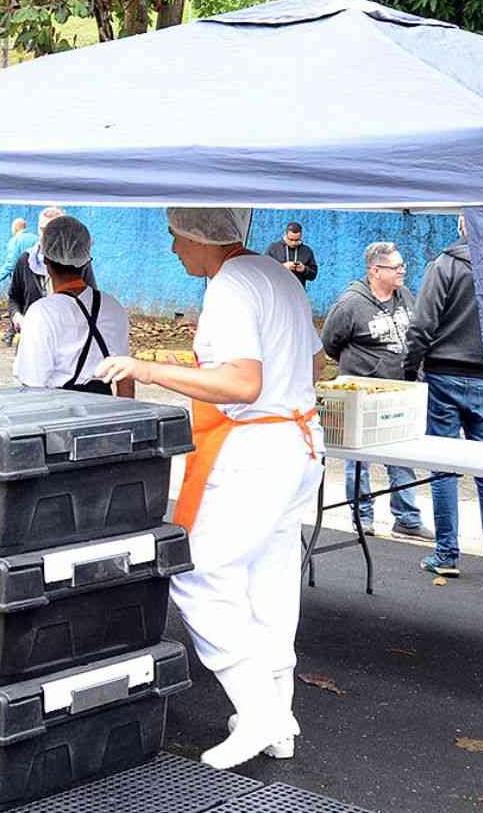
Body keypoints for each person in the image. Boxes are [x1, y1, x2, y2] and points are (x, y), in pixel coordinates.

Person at [96, 207, 323, 770]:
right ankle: (276, 719)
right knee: (270, 580)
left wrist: (146, 370)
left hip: (253, 451)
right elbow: (317, 363)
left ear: (201, 236)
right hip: (298, 443)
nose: (173, 249)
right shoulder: (278, 276)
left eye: (176, 237)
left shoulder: (230, 285)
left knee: (198, 574)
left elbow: (241, 384)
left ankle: (260, 710)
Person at [403, 215, 483, 580]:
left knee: (443, 468)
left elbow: (422, 324)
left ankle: (447, 554)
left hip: (443, 375)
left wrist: (410, 369)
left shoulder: (444, 265)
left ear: (461, 224)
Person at [321, 242, 432, 540]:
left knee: (401, 457)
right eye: (395, 267)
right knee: (357, 462)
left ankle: (407, 518)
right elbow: (330, 342)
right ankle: (362, 517)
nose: (402, 271)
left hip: (398, 391)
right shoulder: (350, 304)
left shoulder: (405, 296)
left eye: (402, 266)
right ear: (374, 271)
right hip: (359, 395)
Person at [13, 215, 133, 396]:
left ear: (46, 260)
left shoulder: (41, 312)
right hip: (105, 410)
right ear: (86, 260)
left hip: (58, 414)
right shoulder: (113, 307)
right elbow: (125, 379)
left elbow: (33, 384)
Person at [265, 222, 318, 287]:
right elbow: (265, 271)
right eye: (291, 239)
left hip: (297, 291)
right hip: (277, 289)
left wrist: (304, 269)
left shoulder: (307, 251)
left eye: (297, 240)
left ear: (301, 236)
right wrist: (282, 267)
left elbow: (313, 275)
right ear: (286, 235)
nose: (293, 243)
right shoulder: (273, 248)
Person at [0, 217, 38, 284]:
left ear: (15, 228)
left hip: (22, 281)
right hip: (38, 279)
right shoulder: (36, 238)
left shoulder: (15, 240)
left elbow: (11, 264)